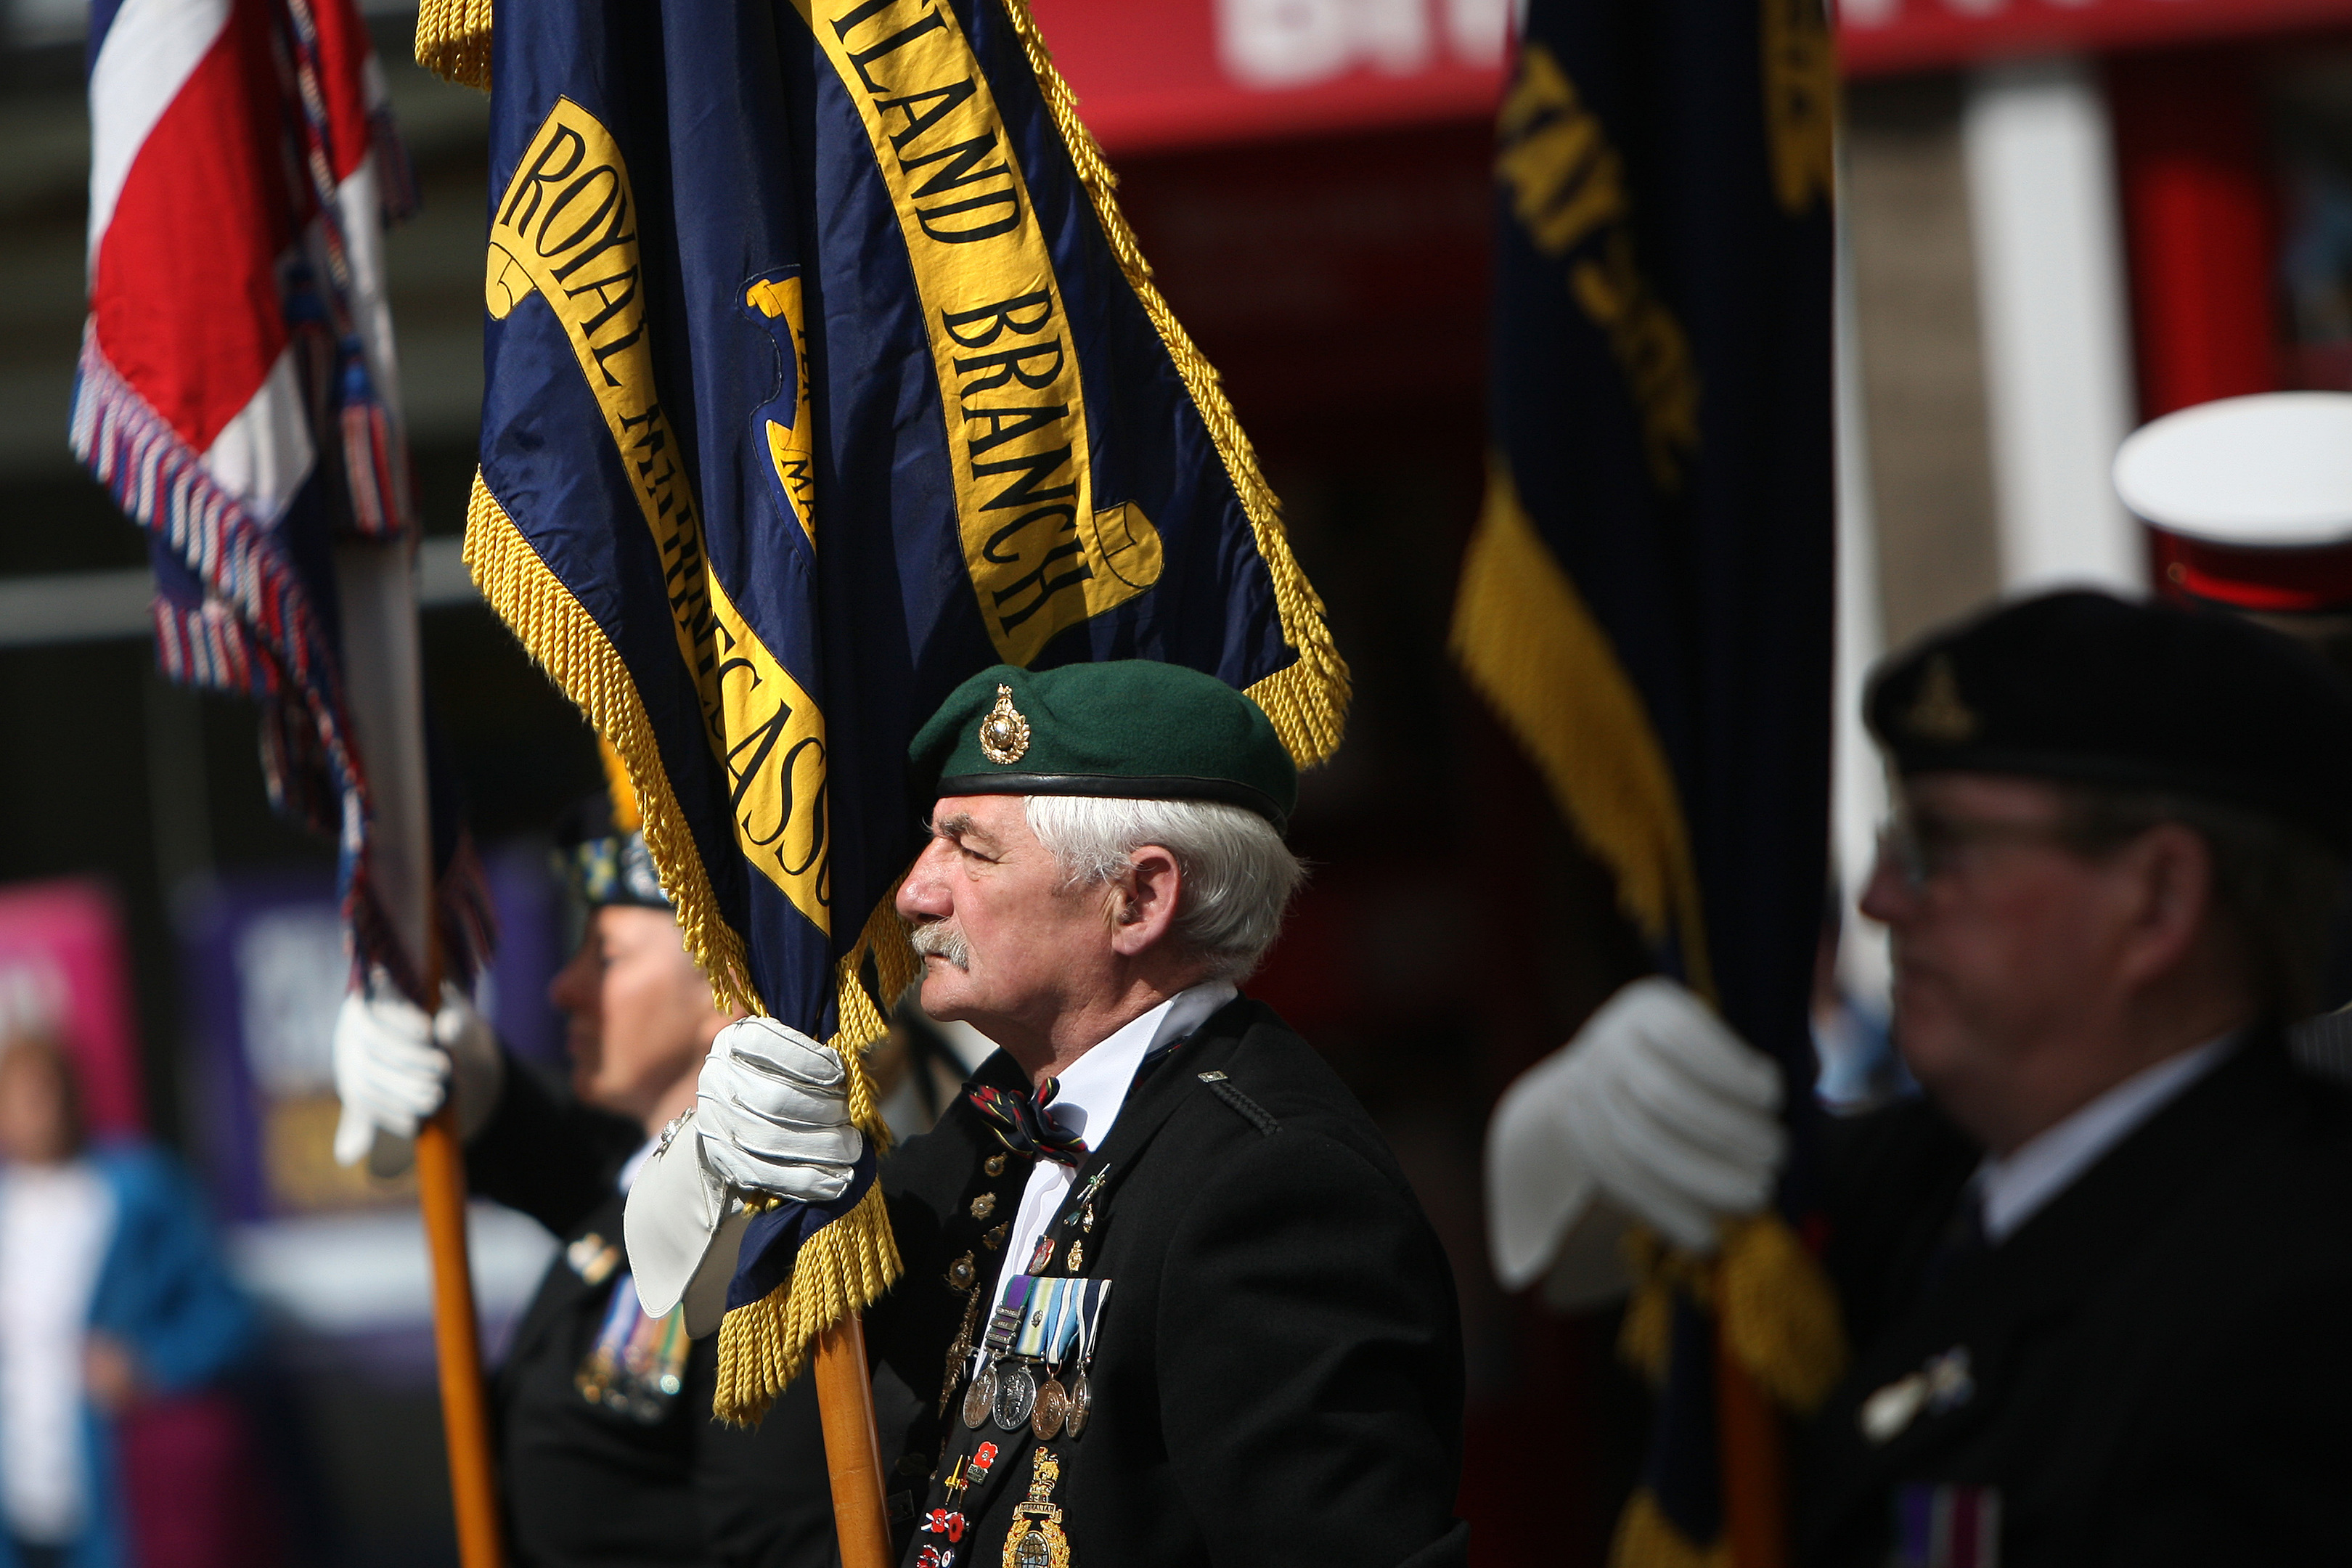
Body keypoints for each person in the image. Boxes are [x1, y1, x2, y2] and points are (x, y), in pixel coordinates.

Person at [1487, 589, 2352, 1566]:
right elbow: (1571, 1248)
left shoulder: (2293, 1313)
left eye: (1942, 849)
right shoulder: (1949, 1182)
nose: (1880, 898)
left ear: (2156, 899)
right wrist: (1579, 1111)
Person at [630, 661, 1471, 1567]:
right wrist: (722, 1157)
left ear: (1139, 899)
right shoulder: (999, 1124)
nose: (916, 891)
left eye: (972, 850)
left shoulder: (1270, 1186)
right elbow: (723, 1315)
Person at [330, 783, 837, 1568]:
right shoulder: (644, 1178)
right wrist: (464, 1062)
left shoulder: (771, 1237)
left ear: (725, 989)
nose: (563, 988)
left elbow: (785, 1542)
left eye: (606, 958)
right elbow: (565, 1158)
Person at [0, 1032, 259, 1568]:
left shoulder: (139, 1193)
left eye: (43, 1090)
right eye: (15, 1096)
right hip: (19, 1510)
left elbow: (228, 1317)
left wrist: (148, 1366)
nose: (33, 1110)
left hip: (119, 1504)